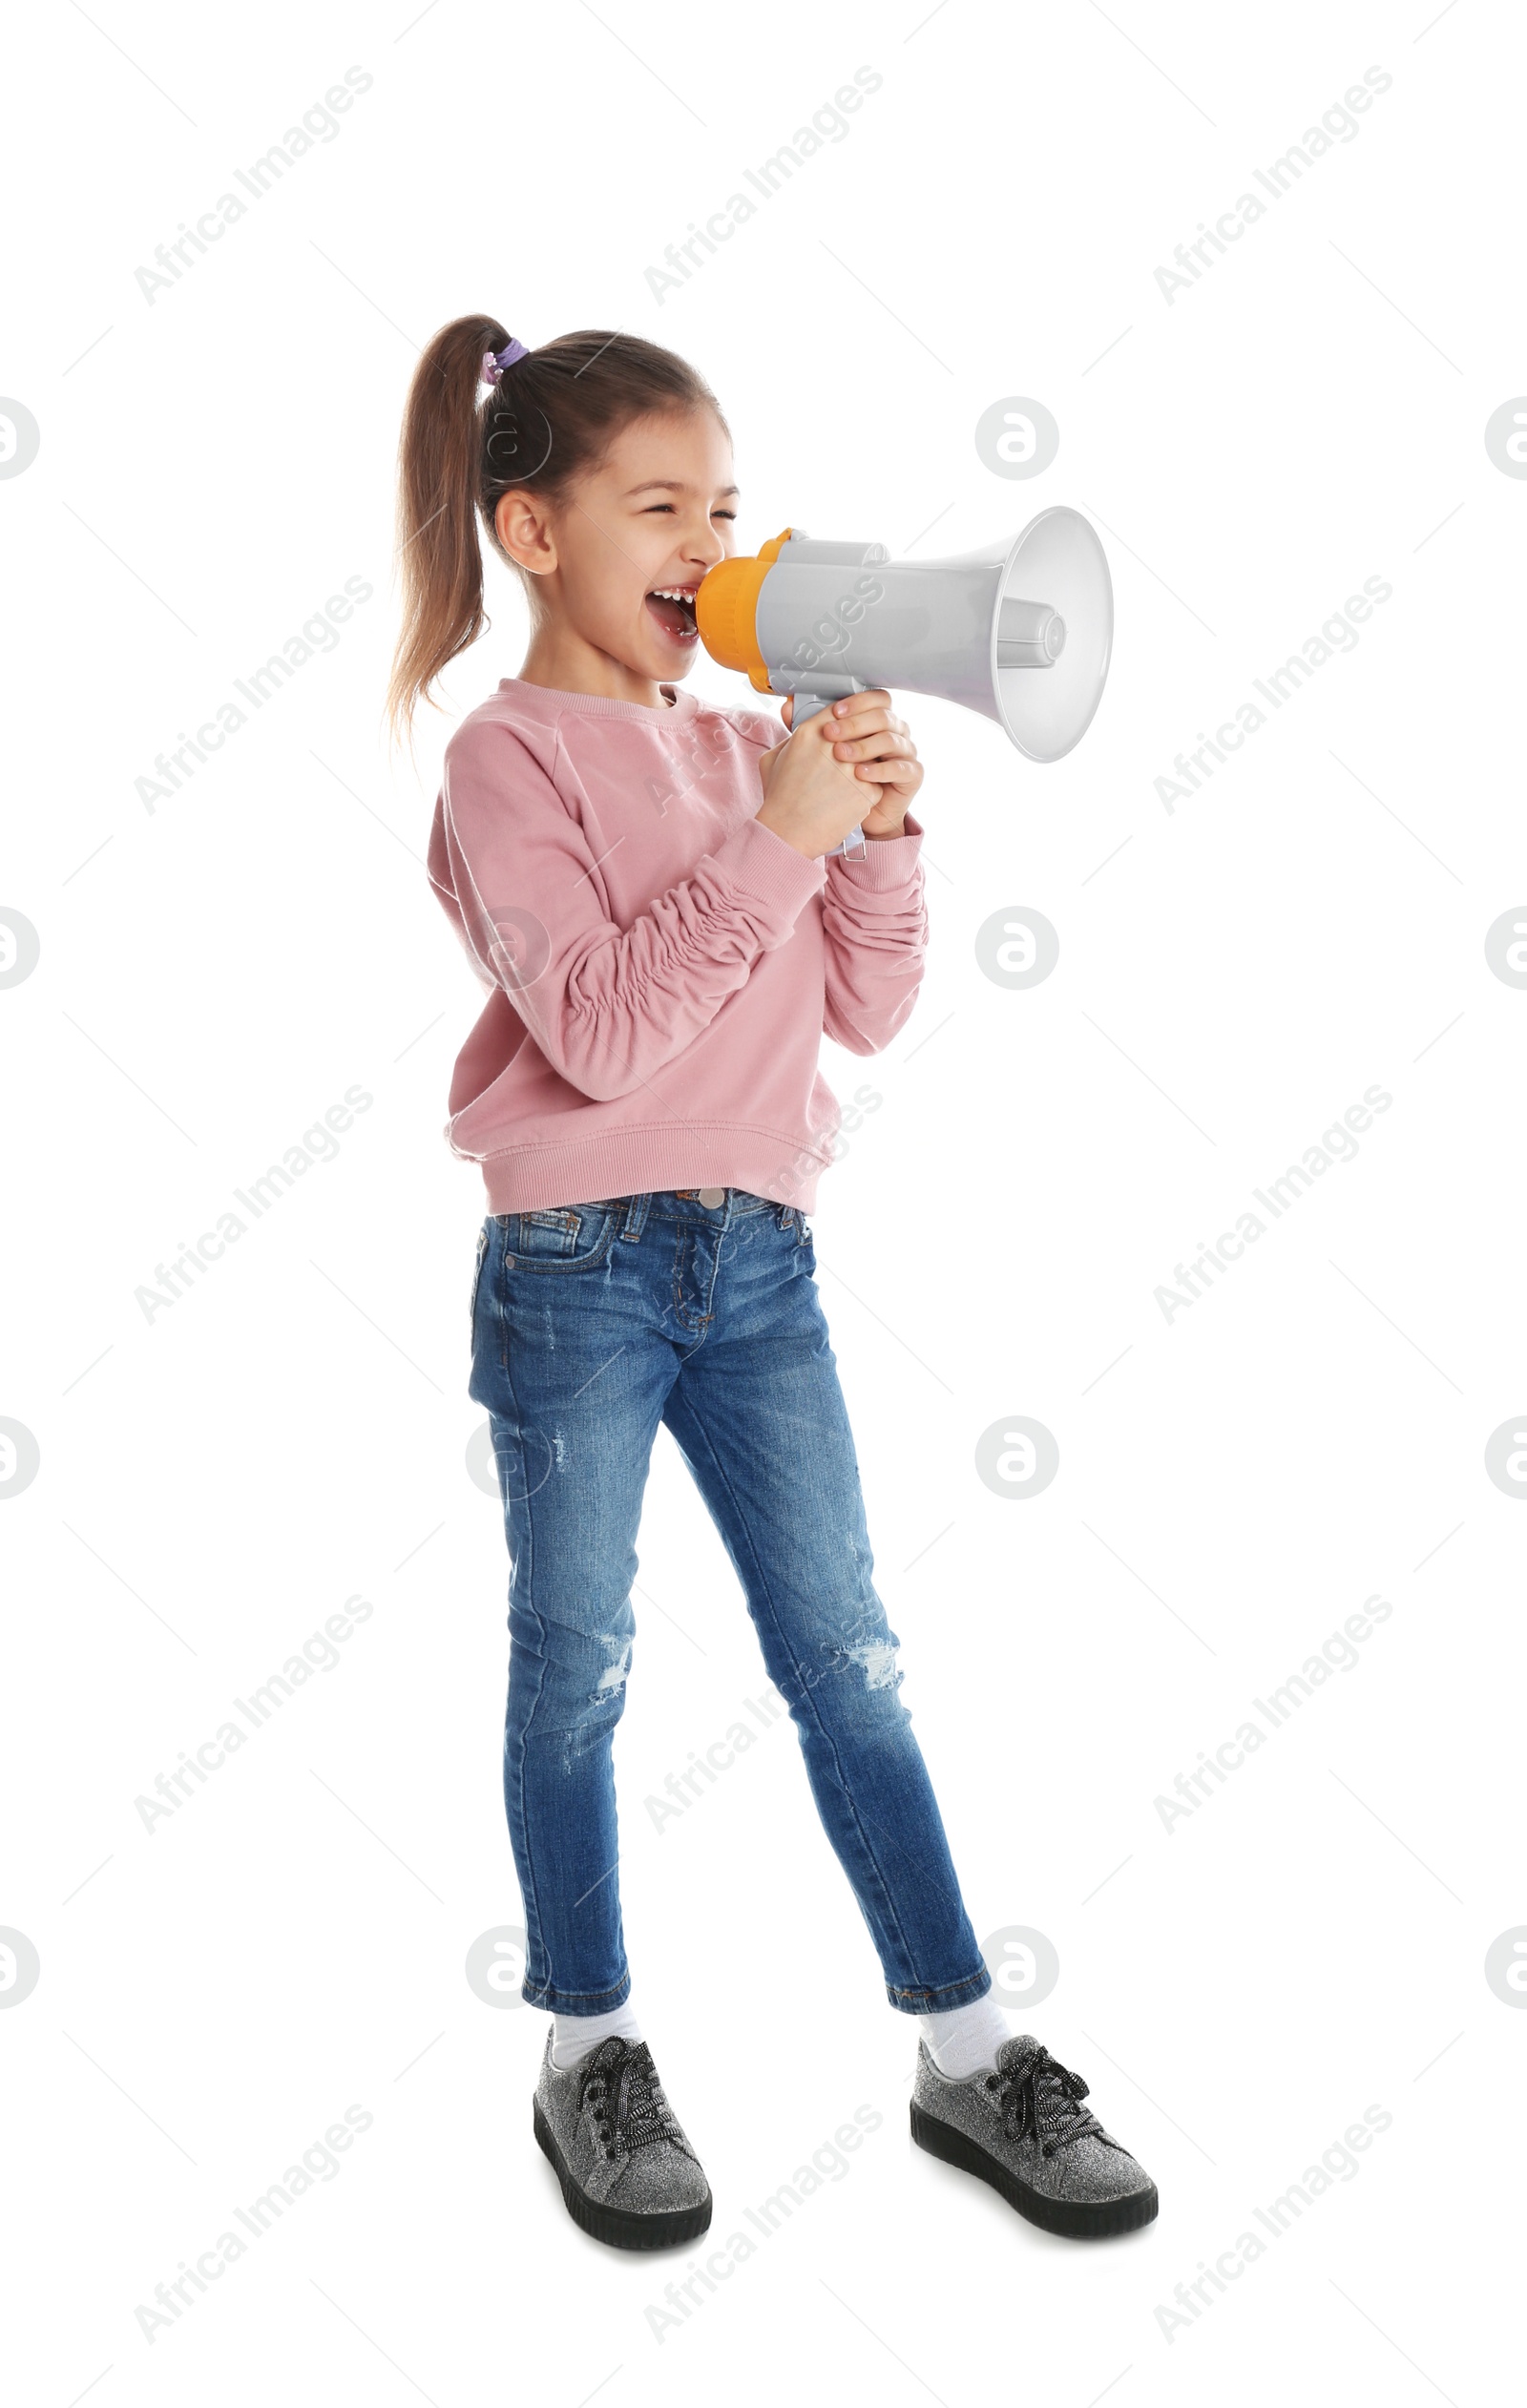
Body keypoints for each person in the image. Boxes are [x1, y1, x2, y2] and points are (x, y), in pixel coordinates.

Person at [387, 318, 1158, 2251]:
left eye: (721, 507)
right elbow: (603, 1032)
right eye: (656, 505)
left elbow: (870, 1008)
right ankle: (587, 2047)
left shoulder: (751, 740)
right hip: (572, 1273)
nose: (703, 542)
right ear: (531, 531)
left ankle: (963, 2043)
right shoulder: (503, 761)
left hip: (759, 1263)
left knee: (847, 1655)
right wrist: (771, 838)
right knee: (577, 1667)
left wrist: (877, 832)